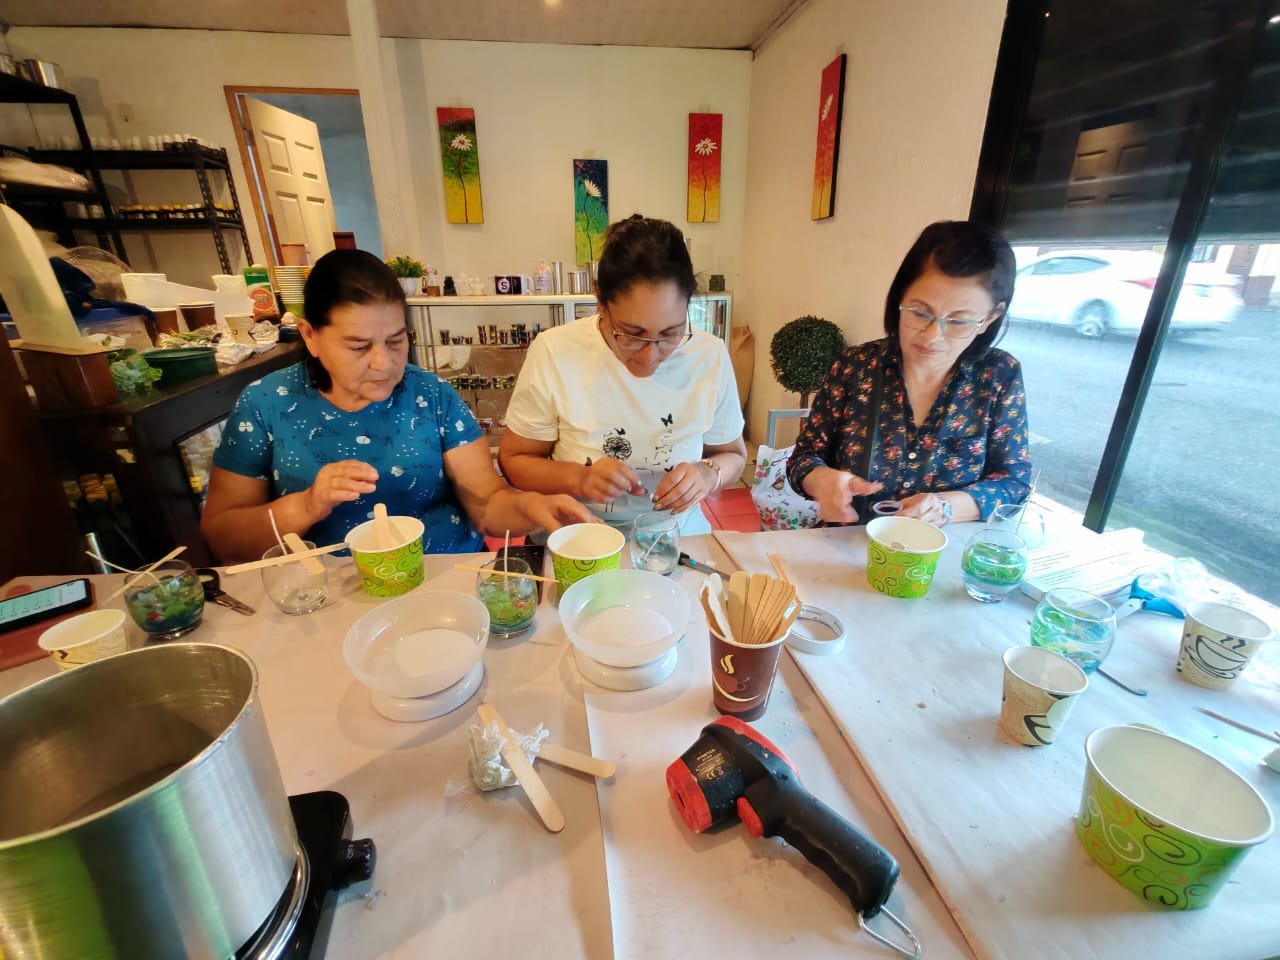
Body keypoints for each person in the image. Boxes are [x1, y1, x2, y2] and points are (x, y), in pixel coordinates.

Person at [201, 249, 593, 562]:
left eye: (396, 341)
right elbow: (223, 538)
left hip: (445, 579)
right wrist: (306, 505)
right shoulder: (267, 404)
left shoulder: (431, 395)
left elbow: (487, 505)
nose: (384, 363)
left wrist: (531, 506)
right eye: (359, 347)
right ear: (310, 336)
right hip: (327, 597)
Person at [498, 215, 747, 536]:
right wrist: (580, 479)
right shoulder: (556, 351)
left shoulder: (709, 354)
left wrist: (708, 474)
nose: (650, 355)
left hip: (674, 535)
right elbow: (514, 459)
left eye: (670, 333)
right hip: (576, 533)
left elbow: (733, 454)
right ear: (601, 304)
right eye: (631, 334)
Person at [787, 220, 1032, 527]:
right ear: (899, 298)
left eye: (959, 321)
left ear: (990, 317)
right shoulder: (856, 366)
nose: (931, 336)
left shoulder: (999, 376)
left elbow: (1014, 481)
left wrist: (944, 507)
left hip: (940, 551)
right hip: (847, 543)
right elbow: (804, 456)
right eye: (920, 312)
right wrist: (819, 479)